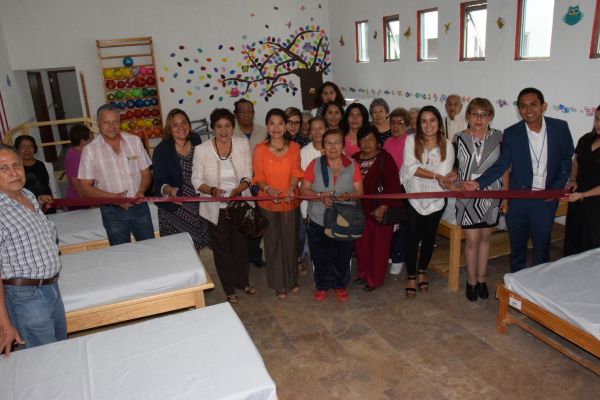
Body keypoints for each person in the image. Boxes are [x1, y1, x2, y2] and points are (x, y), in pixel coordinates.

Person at [462, 88, 574, 272]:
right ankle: (516, 284)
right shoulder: (512, 133)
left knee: (542, 247)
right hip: (518, 200)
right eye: (523, 106)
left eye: (533, 104)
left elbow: (566, 159)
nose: (528, 110)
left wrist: (555, 189)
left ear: (543, 106)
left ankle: (539, 283)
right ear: (518, 109)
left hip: (545, 199)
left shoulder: (560, 128)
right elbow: (502, 164)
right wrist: (479, 183)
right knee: (517, 248)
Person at [0, 144, 66, 355]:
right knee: (43, 358)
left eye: (17, 165)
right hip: (25, 296)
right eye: (3, 168)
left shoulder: (27, 194)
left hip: (51, 286)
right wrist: (4, 323)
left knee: (60, 347)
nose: (14, 172)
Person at [191, 108, 255, 304]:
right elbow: (196, 180)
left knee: (240, 246)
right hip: (214, 208)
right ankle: (229, 289)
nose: (224, 131)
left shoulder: (242, 144)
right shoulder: (202, 150)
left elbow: (248, 175)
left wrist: (238, 190)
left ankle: (243, 282)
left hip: (239, 205)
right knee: (222, 249)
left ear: (233, 127)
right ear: (212, 128)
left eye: (227, 126)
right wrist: (212, 190)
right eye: (219, 126)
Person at [453, 98, 508, 301]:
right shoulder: (458, 138)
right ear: (468, 116)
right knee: (472, 241)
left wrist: (505, 197)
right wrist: (451, 177)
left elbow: (504, 170)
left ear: (490, 117)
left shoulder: (499, 137)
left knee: (485, 238)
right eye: (475, 114)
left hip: (491, 196)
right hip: (467, 196)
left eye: (484, 114)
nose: (479, 118)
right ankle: (471, 281)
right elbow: (455, 167)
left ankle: (482, 279)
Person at [300, 129, 363, 301]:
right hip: (318, 218)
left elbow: (359, 191)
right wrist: (320, 196)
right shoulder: (315, 164)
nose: (333, 146)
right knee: (319, 255)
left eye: (337, 143)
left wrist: (348, 196)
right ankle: (322, 285)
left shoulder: (352, 164)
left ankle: (340, 284)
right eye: (328, 143)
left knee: (342, 254)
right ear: (323, 146)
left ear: (343, 146)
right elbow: (304, 189)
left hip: (344, 220)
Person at [79, 104, 154, 246]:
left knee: (150, 248)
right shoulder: (90, 150)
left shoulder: (134, 141)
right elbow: (85, 187)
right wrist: (113, 198)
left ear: (120, 122)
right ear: (98, 124)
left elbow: (145, 173)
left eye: (115, 122)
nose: (111, 126)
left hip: (139, 207)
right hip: (112, 212)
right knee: (121, 254)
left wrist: (141, 191)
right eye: (106, 122)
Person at [401, 105, 455, 297]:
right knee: (412, 237)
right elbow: (411, 168)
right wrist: (436, 176)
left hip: (436, 199)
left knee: (429, 237)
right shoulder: (411, 140)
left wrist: (439, 177)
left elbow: (444, 173)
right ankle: (411, 275)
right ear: (418, 124)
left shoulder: (447, 145)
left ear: (438, 123)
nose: (428, 125)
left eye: (432, 120)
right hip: (413, 196)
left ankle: (422, 270)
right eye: (423, 121)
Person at [253, 108, 304, 300]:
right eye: (272, 123)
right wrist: (268, 190)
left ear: (286, 126)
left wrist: (291, 189)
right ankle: (278, 283)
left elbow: (296, 172)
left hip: (290, 201)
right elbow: (258, 177)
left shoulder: (294, 147)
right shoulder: (260, 149)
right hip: (268, 203)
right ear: (267, 126)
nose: (276, 128)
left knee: (290, 242)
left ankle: (292, 279)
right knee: (273, 243)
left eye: (280, 123)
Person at [352, 125, 401, 292]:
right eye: (363, 139)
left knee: (379, 247)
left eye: (370, 139)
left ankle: (375, 279)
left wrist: (383, 207)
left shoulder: (385, 159)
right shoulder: (354, 158)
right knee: (361, 245)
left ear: (377, 141)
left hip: (380, 210)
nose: (367, 143)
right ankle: (363, 274)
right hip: (359, 211)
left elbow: (394, 186)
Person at [152, 108, 209, 249]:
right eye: (175, 125)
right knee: (183, 249)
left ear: (189, 124)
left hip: (198, 203)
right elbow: (159, 181)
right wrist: (169, 190)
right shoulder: (161, 150)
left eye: (184, 122)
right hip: (176, 207)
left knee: (198, 245)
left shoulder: (196, 140)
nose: (181, 127)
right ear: (169, 129)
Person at [233, 98, 266, 268]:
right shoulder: (230, 132)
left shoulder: (263, 131)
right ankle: (242, 256)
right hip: (240, 185)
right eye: (242, 111)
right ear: (236, 114)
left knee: (258, 220)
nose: (246, 114)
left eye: (249, 111)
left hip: (260, 183)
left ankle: (255, 254)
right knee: (242, 220)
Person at [563, 105, 600, 256]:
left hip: (596, 203)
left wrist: (583, 195)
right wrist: (572, 179)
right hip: (577, 198)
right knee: (573, 240)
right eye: (597, 119)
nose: (598, 124)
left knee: (591, 246)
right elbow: (576, 163)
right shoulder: (586, 139)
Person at [383, 107, 410, 275]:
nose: (396, 126)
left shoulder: (411, 141)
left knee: (402, 224)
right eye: (392, 122)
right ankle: (391, 252)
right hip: (389, 187)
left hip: (405, 188)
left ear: (407, 125)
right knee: (390, 222)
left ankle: (399, 257)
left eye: (400, 122)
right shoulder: (387, 142)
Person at [298, 117, 326, 273]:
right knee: (309, 238)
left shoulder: (335, 149)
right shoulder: (304, 153)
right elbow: (302, 185)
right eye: (313, 129)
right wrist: (304, 212)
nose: (317, 132)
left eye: (320, 128)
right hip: (310, 205)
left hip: (330, 204)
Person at [64, 124, 92, 204]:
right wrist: (90, 202)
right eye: (90, 138)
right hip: (78, 201)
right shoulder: (74, 156)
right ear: (82, 140)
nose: (91, 139)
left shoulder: (79, 152)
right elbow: (76, 184)